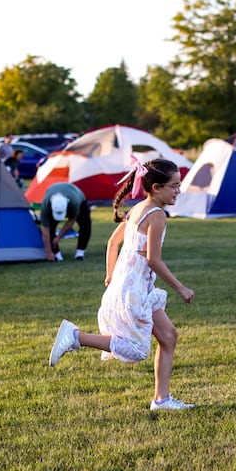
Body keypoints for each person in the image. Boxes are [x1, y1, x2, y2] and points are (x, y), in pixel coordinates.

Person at [48, 158, 196, 411]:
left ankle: (161, 400)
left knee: (168, 336)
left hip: (132, 286)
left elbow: (112, 243)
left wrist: (110, 276)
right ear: (156, 187)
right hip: (135, 290)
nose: (178, 191)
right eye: (174, 186)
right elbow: (153, 259)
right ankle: (76, 336)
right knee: (137, 350)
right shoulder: (157, 215)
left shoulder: (138, 208)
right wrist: (180, 287)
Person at [39, 182, 91, 262]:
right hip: (58, 194)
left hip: (78, 196)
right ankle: (56, 254)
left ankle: (80, 253)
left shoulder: (75, 202)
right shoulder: (46, 206)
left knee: (86, 224)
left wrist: (58, 237)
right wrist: (48, 252)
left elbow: (71, 221)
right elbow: (45, 231)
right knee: (51, 228)